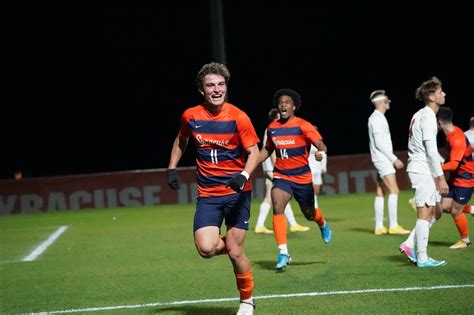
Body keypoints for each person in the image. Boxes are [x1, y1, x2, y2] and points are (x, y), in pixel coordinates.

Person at [166, 62, 259, 314]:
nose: (217, 89)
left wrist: (243, 174)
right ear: (201, 90)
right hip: (208, 195)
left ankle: (247, 301)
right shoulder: (191, 116)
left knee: (235, 252)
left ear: (226, 87)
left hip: (238, 192)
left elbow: (254, 152)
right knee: (206, 249)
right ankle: (230, 242)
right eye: (211, 85)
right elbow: (181, 139)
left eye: (221, 84)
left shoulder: (239, 117)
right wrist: (172, 167)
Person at [256, 88, 332, 271]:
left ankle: (322, 223)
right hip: (282, 176)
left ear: (294, 107)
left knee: (309, 214)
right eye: (280, 102)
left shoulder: (303, 125)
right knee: (277, 205)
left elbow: (321, 144)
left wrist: (321, 152)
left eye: (287, 102)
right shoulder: (272, 128)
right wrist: (249, 166)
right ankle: (283, 252)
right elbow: (267, 150)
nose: (283, 104)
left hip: (302, 178)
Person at [399, 76, 449, 268]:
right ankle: (422, 257)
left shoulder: (419, 114)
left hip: (422, 168)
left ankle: (410, 245)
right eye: (439, 91)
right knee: (425, 213)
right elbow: (429, 148)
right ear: (431, 96)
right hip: (423, 170)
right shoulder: (427, 116)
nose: (443, 94)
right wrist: (440, 177)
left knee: (435, 211)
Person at [255, 108, 310, 234]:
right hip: (273, 168)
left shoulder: (270, 129)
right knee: (283, 193)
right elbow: (274, 151)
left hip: (267, 167)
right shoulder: (275, 129)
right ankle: (292, 224)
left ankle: (260, 225)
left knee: (271, 195)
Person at [367, 90, 411, 236]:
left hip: (380, 158)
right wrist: (394, 158)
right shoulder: (377, 118)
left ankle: (379, 226)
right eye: (386, 99)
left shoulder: (377, 118)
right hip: (383, 159)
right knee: (395, 190)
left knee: (381, 191)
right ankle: (393, 226)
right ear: (380, 102)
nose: (389, 101)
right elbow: (379, 143)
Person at [436, 106, 473, 249]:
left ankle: (465, 240)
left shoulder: (457, 138)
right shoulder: (449, 135)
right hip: (455, 178)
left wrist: (435, 167)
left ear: (439, 122)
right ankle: (471, 209)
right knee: (445, 207)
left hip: (465, 179)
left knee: (455, 211)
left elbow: (453, 165)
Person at [309, 125, 327, 208]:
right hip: (310, 169)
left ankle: (312, 203)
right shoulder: (307, 142)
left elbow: (324, 154)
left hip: (318, 169)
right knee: (311, 189)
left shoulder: (319, 143)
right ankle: (315, 207)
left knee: (317, 190)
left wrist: (324, 166)